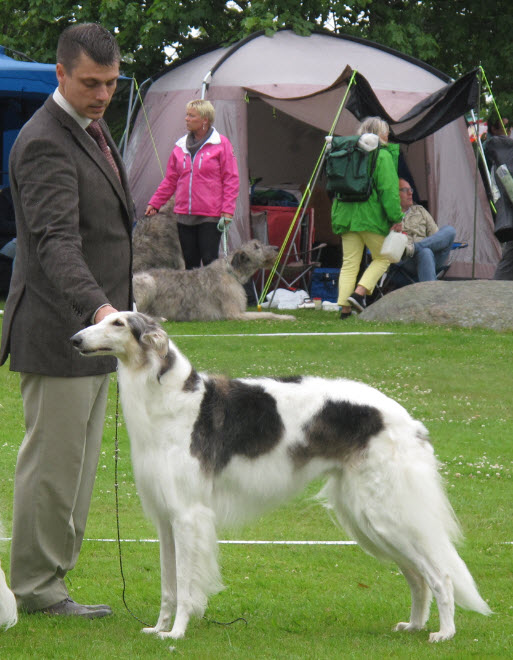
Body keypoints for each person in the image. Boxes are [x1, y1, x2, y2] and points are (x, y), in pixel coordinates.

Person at [0, 23, 133, 618]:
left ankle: (51, 581)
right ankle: (35, 588)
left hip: (94, 336)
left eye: (111, 83)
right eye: (90, 83)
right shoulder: (45, 140)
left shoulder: (91, 128)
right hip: (61, 330)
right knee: (53, 469)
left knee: (75, 471)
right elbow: (56, 243)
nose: (103, 95)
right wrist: (101, 309)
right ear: (60, 74)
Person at [145, 99, 239, 269]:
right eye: (187, 115)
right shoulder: (180, 146)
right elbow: (170, 179)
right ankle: (193, 296)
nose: (186, 119)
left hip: (210, 215)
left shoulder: (221, 144)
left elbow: (231, 179)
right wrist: (155, 203)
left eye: (191, 115)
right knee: (190, 262)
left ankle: (211, 296)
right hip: (185, 214)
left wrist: (227, 211)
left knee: (210, 260)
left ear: (204, 119)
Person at [331, 116, 403, 318]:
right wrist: (396, 217)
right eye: (386, 131)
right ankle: (360, 293)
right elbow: (388, 190)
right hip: (370, 216)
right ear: (381, 134)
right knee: (384, 258)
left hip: (345, 214)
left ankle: (345, 310)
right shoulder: (382, 156)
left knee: (349, 263)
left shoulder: (348, 153)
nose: (388, 135)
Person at [397, 178, 456, 281]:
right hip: (407, 260)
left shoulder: (420, 210)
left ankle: (415, 247)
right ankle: (431, 295)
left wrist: (419, 245)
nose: (410, 193)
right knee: (425, 252)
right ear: (395, 194)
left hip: (432, 257)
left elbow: (436, 237)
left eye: (411, 190)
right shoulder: (390, 216)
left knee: (450, 231)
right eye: (405, 190)